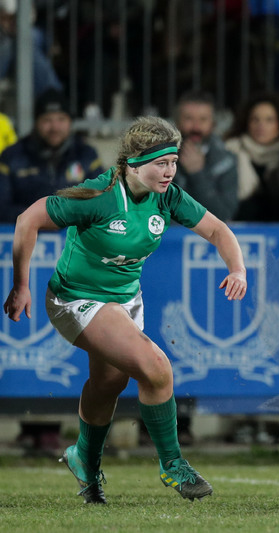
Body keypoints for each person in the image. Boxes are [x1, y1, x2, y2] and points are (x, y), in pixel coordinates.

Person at [3, 116, 248, 504]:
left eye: (173, 162)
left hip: (124, 300)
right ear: (133, 163)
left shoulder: (167, 195)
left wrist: (237, 268)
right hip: (75, 299)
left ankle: (84, 459)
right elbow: (27, 220)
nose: (170, 172)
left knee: (110, 384)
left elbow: (218, 230)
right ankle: (172, 465)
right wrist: (20, 285)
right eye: (160, 163)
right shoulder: (99, 195)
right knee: (156, 367)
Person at [0, 89, 104, 223]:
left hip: (75, 238)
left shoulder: (86, 155)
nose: (54, 127)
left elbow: (102, 204)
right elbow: (2, 208)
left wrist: (66, 216)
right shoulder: (12, 156)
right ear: (36, 122)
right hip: (24, 237)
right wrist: (40, 217)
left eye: (61, 119)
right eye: (47, 120)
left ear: (70, 122)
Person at [225, 91, 279, 222]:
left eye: (269, 120)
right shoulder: (230, 154)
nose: (261, 125)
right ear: (247, 123)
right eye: (255, 119)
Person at [174, 90, 239, 222]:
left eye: (203, 119)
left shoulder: (226, 161)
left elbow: (224, 216)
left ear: (213, 124)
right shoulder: (158, 157)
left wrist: (197, 174)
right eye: (189, 118)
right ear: (177, 122)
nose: (196, 127)